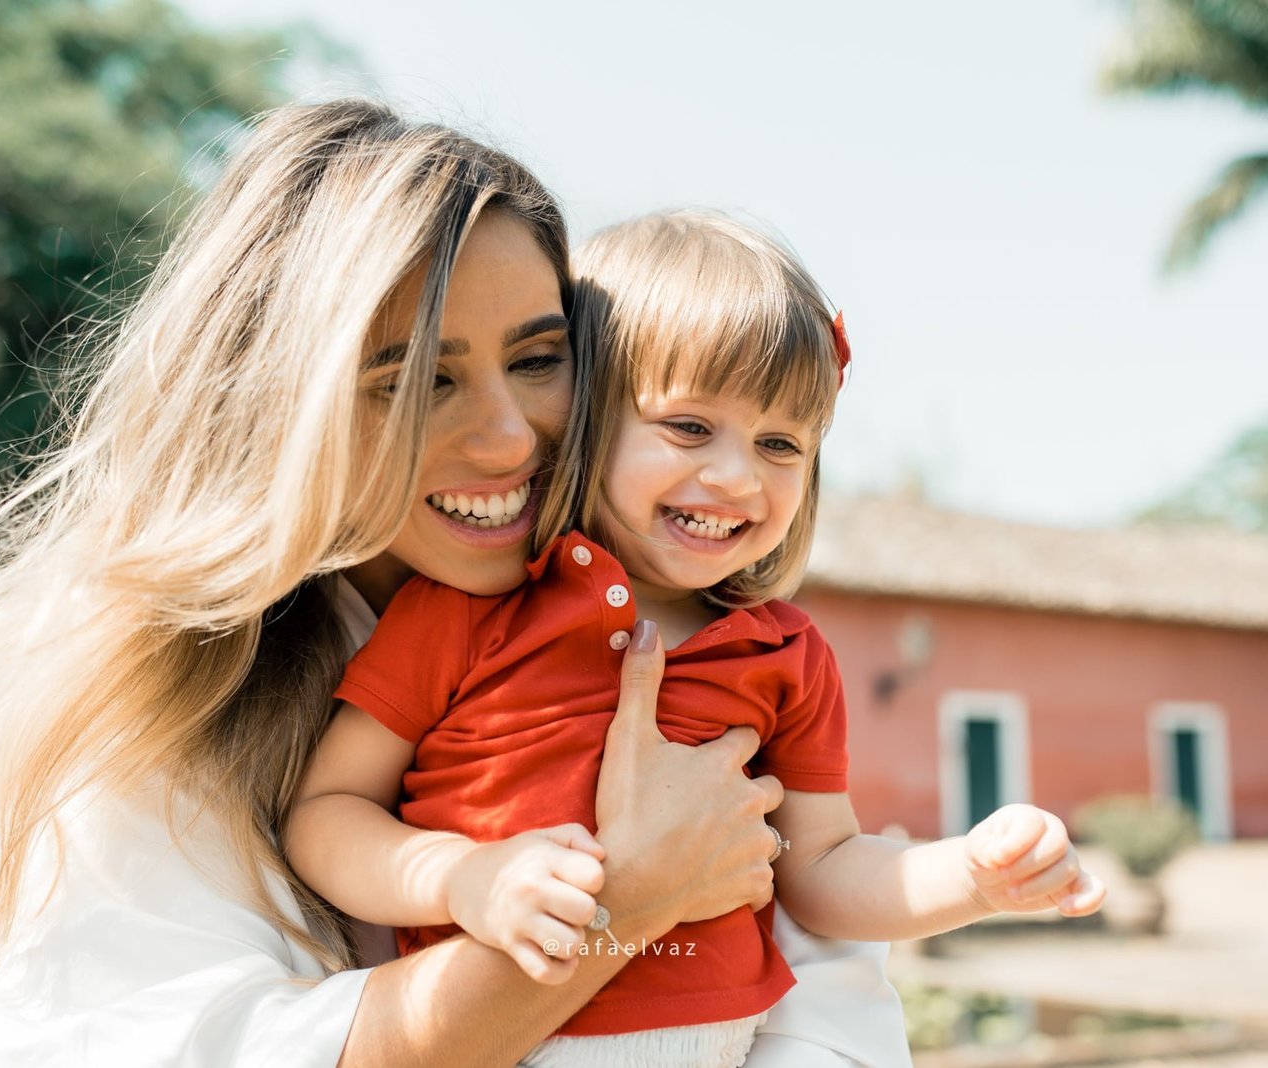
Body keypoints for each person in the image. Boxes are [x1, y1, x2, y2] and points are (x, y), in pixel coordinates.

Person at [0, 101, 790, 1067]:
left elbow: (824, 1001)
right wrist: (626, 903)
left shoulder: (661, 623)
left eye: (538, 359)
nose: (507, 437)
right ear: (280, 397)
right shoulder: (134, 698)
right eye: (413, 378)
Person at [286, 211, 1107, 1068]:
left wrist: (970, 876)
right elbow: (326, 814)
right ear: (587, 416)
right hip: (498, 1032)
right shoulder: (462, 613)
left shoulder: (783, 654)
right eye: (688, 428)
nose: (738, 477)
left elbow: (822, 869)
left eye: (781, 443)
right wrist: (461, 876)